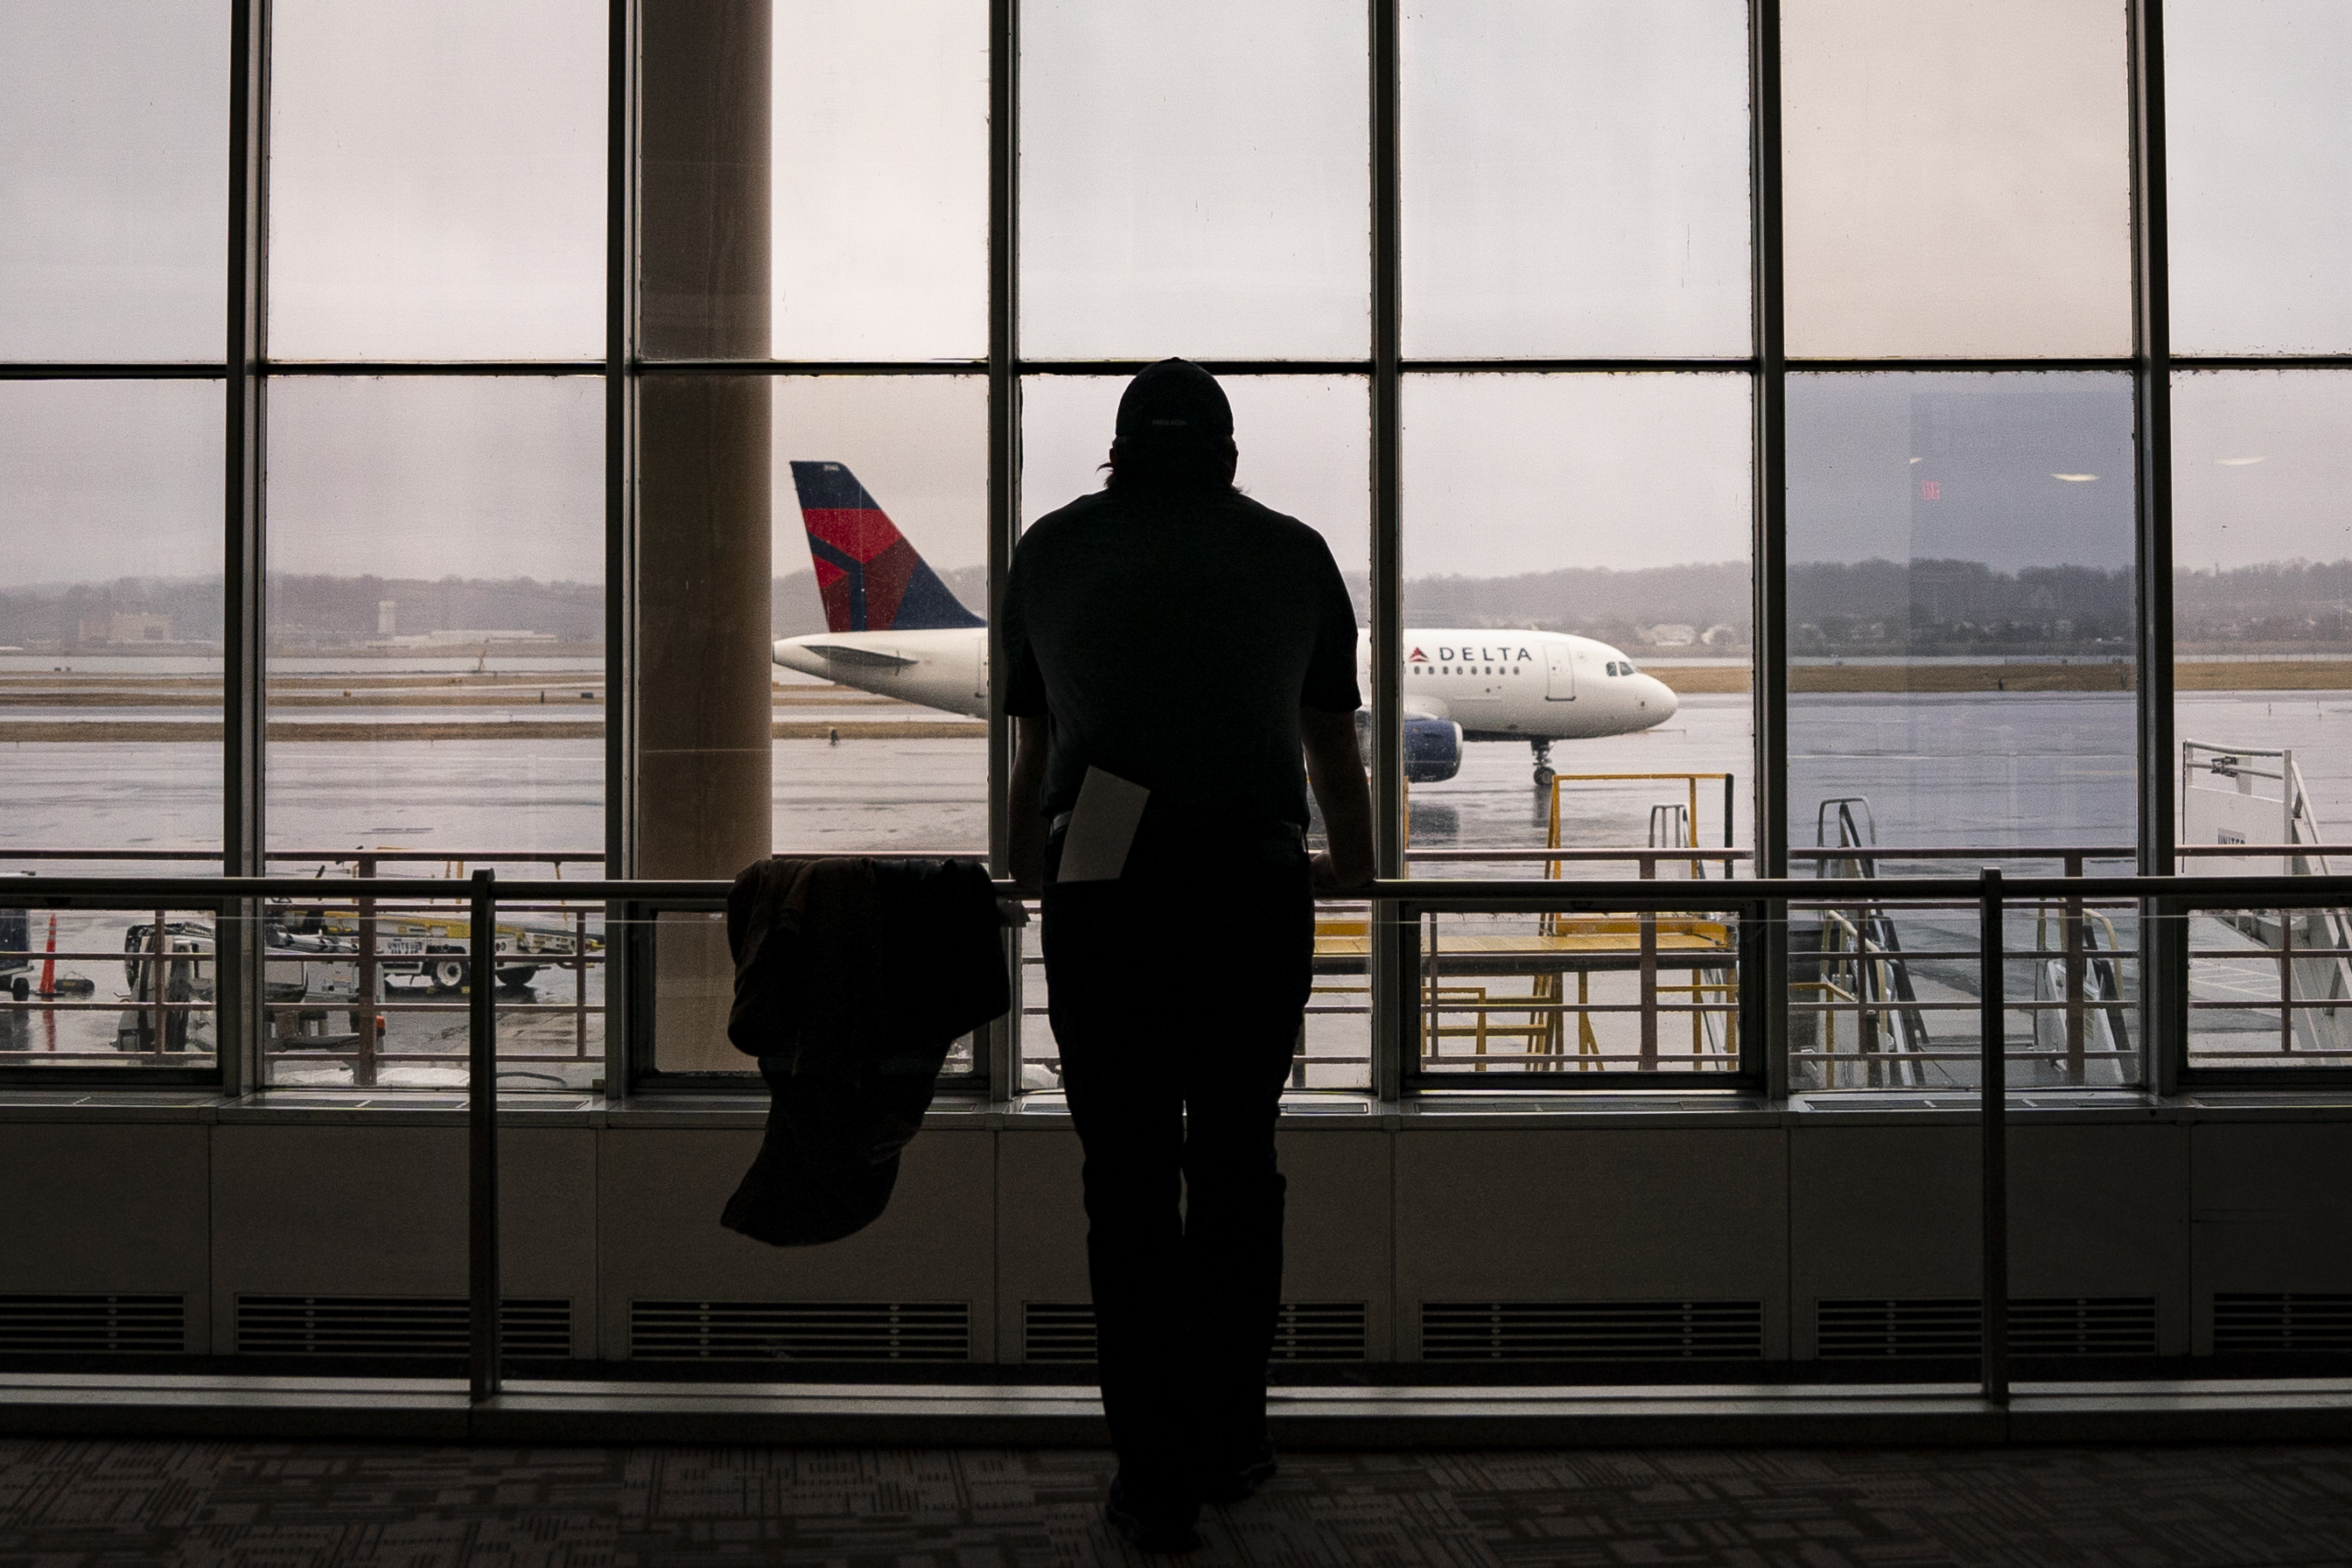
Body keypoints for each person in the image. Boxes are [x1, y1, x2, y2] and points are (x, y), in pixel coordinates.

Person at [1004, 359, 1377, 1552]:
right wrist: (1355, 865)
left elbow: (1036, 745)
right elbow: (1330, 740)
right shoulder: (1293, 553)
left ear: (1118, 453)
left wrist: (1026, 871)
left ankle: (1151, 1475)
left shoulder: (1052, 551)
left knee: (1123, 1181)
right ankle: (1231, 1436)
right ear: (1227, 453)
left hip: (1101, 882)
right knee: (1233, 1162)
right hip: (1251, 881)